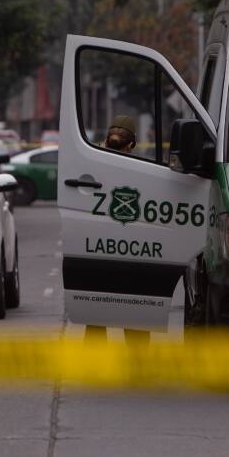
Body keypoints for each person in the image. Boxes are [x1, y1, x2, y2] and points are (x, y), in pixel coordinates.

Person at [85, 114, 150, 346]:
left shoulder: (89, 164)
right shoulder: (142, 171)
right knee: (135, 312)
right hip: (130, 252)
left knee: (96, 315)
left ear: (106, 139)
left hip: (97, 250)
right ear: (132, 144)